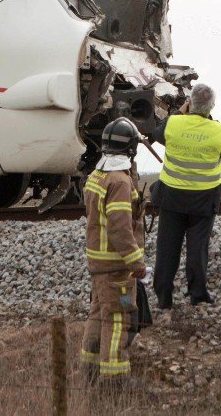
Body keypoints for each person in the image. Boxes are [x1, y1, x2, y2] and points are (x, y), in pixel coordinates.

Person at [150, 83, 221, 319]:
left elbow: (157, 134)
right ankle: (198, 294)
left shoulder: (173, 124)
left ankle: (164, 298)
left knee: (167, 249)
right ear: (212, 107)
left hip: (172, 197)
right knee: (198, 248)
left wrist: (180, 112)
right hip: (204, 199)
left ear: (189, 103)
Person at [80, 117, 148, 386]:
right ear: (130, 148)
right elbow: (120, 229)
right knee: (117, 320)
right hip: (116, 265)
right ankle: (114, 380)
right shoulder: (119, 182)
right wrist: (136, 262)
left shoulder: (98, 175)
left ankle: (91, 372)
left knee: (98, 314)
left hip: (98, 262)